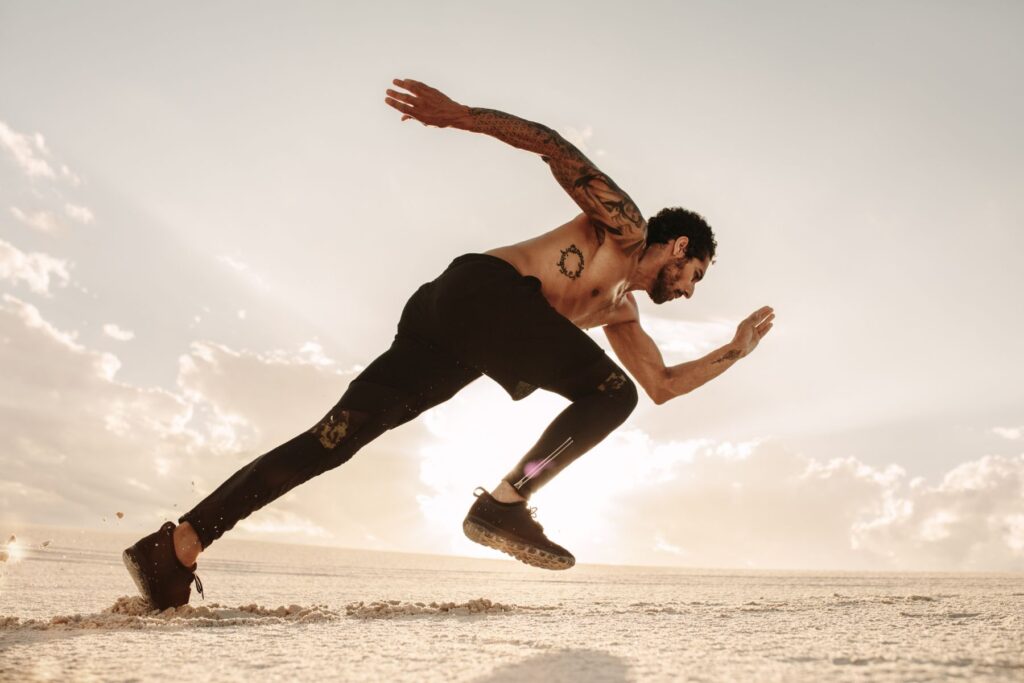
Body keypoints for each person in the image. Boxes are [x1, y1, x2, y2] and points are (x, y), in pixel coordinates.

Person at [123, 78, 775, 610]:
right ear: (680, 246)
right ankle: (505, 504)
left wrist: (735, 351)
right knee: (609, 392)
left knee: (337, 436)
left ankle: (179, 544)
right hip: (485, 292)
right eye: (694, 274)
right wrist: (460, 116)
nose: (689, 290)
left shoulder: (621, 311)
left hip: (450, 324)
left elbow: (661, 386)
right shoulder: (625, 226)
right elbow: (556, 149)